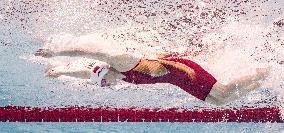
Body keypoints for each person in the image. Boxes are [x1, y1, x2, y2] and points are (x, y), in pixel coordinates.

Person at [34, 42, 268, 106]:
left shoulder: (124, 63)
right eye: (104, 84)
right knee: (221, 101)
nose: (109, 85)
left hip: (183, 70)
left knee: (224, 93)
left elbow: (92, 51)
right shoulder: (115, 76)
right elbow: (85, 74)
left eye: (105, 81)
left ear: (107, 72)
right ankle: (265, 76)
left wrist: (56, 53)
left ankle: (267, 70)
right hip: (178, 81)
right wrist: (58, 73)